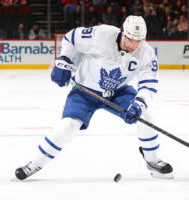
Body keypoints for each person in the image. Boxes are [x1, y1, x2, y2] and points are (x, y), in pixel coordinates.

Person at [15, 15, 173, 180]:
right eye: (130, 39)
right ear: (122, 32)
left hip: (118, 92)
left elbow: (149, 84)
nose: (133, 45)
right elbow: (71, 37)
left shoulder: (146, 54)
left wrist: (138, 105)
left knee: (146, 116)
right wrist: (64, 61)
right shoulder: (102, 35)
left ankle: (152, 160)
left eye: (138, 41)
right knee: (68, 127)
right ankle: (35, 164)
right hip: (84, 91)